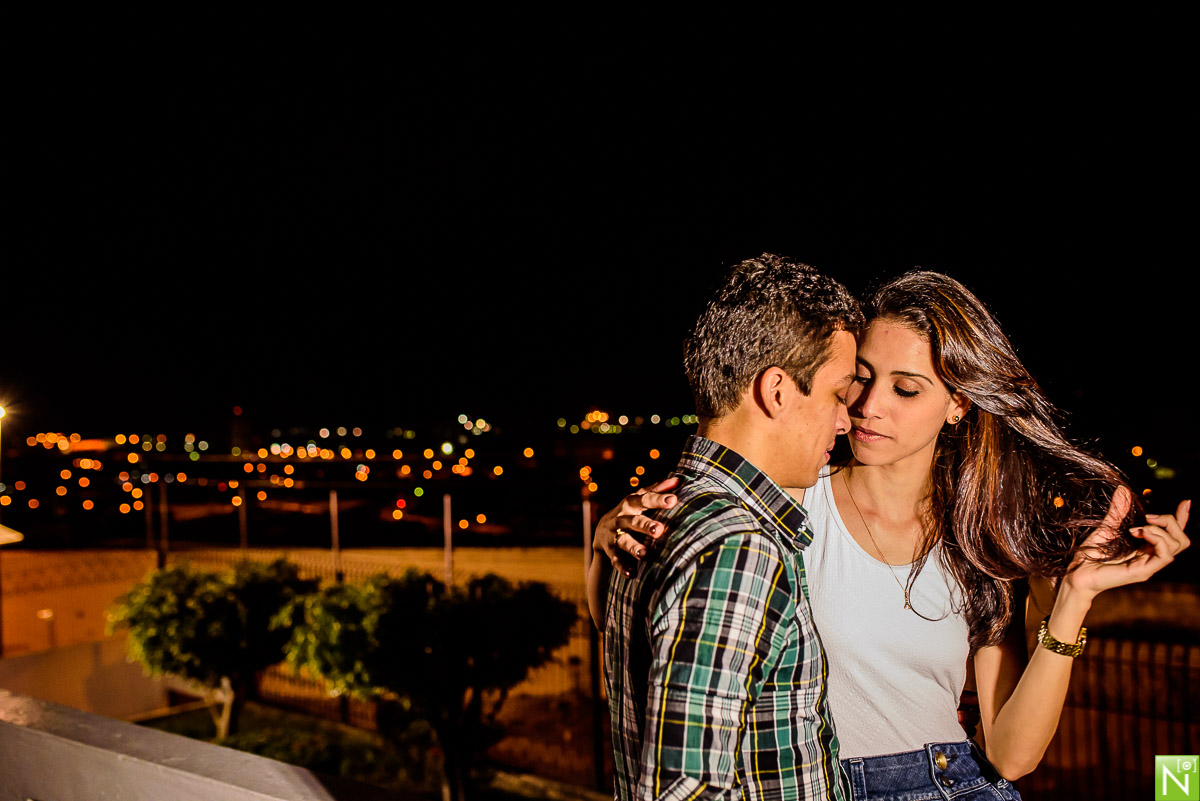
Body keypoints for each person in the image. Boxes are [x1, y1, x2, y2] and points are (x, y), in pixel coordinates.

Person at [590, 270, 1190, 801]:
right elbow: (649, 631)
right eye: (859, 379)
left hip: (948, 784)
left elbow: (1011, 755)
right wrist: (608, 545)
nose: (868, 406)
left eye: (906, 389)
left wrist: (1074, 601)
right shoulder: (791, 501)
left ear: (958, 404)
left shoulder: (976, 544)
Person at [598, 253, 863, 801]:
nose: (845, 420)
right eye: (838, 394)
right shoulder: (738, 546)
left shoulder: (668, 509)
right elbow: (683, 789)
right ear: (778, 391)